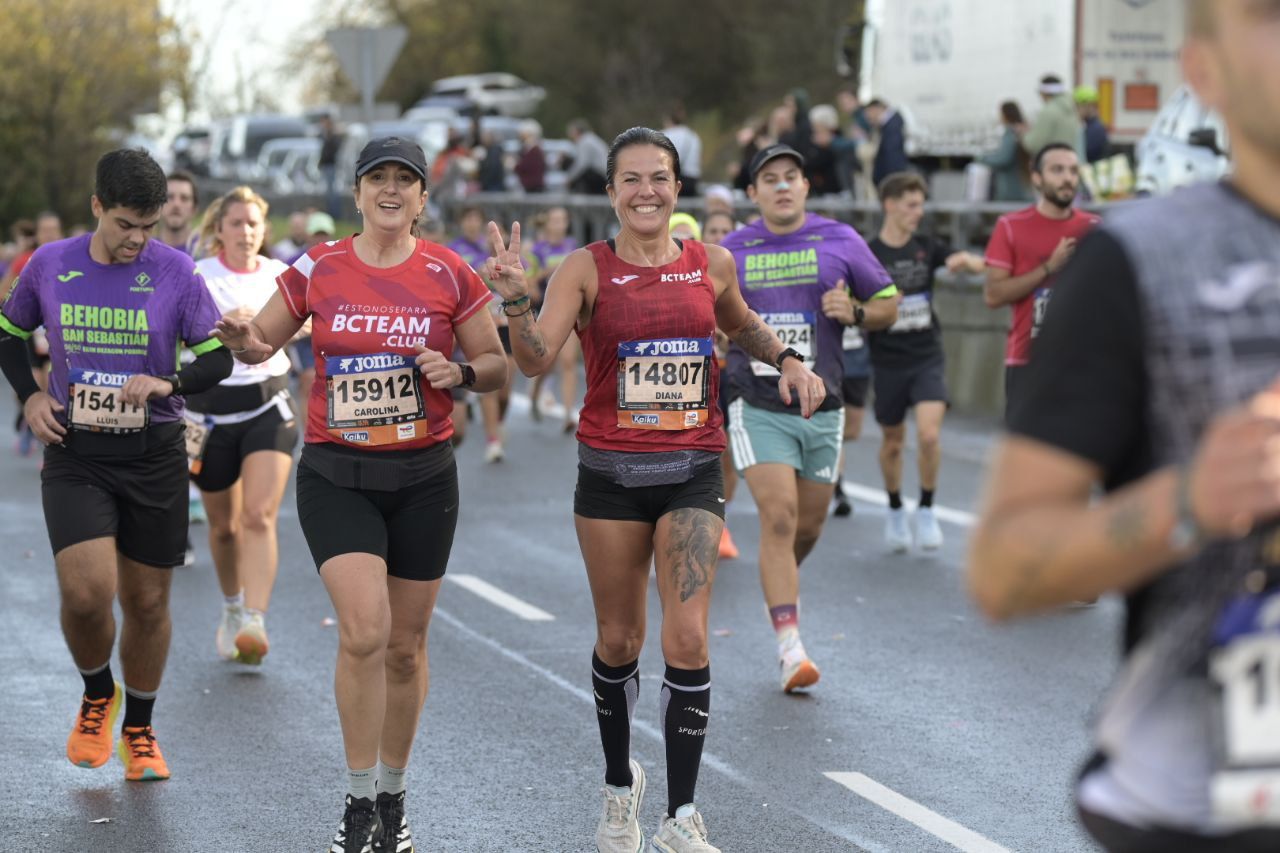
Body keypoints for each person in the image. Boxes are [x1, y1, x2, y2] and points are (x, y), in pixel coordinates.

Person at [967, 3, 1280, 850]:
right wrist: (1193, 500)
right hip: (1212, 807)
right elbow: (1006, 567)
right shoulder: (1136, 262)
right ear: (1205, 71)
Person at [488, 127, 825, 853]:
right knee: (619, 639)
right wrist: (517, 302)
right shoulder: (585, 267)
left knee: (688, 635)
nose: (647, 190)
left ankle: (681, 814)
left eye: (660, 177)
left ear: (678, 187)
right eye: (632, 179)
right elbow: (536, 361)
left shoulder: (712, 262)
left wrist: (788, 359)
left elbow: (742, 323)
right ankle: (619, 787)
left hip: (692, 470)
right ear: (610, 192)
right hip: (610, 475)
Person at [212, 136, 506, 853]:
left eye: (406, 180)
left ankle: (393, 799)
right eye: (379, 177)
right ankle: (355, 801)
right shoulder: (320, 265)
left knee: (405, 647)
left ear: (423, 198)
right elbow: (265, 345)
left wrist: (458, 375)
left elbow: (496, 363)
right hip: (337, 470)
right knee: (365, 629)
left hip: (424, 475)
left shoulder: (448, 270)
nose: (392, 190)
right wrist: (243, 341)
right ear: (358, 191)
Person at [0, 148, 232, 782]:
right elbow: (9, 336)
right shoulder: (50, 265)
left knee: (148, 602)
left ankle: (140, 728)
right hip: (77, 452)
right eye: (126, 223)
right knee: (85, 593)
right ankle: (98, 692)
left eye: (149, 226)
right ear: (97, 207)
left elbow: (217, 360)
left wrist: (169, 380)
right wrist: (31, 394)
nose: (137, 239)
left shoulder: (176, 272)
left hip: (154, 452)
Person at [723, 143, 898, 694]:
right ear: (752, 193)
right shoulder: (730, 250)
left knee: (808, 526)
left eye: (790, 177)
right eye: (768, 179)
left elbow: (890, 303)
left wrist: (859, 312)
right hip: (755, 401)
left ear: (805, 187)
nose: (780, 186)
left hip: (822, 404)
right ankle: (789, 645)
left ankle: (781, 586)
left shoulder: (840, 239)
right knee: (777, 517)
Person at [187, 187, 299, 666]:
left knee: (258, 516)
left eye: (254, 224)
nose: (247, 232)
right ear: (219, 229)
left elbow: (311, 322)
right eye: (237, 223)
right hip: (208, 414)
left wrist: (266, 325)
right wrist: (222, 326)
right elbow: (175, 330)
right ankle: (232, 607)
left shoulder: (280, 275)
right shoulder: (197, 276)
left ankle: (255, 618)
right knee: (225, 527)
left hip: (266, 404)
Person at [868, 173, 985, 551]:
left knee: (930, 435)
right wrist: (880, 306)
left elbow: (968, 262)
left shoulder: (926, 246)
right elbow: (853, 302)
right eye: (911, 205)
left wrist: (969, 261)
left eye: (921, 205)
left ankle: (928, 509)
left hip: (926, 355)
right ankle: (895, 509)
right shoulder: (869, 253)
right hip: (887, 360)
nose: (918, 213)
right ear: (890, 204)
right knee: (892, 442)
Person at [984, 142, 1100, 415]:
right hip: (1027, 361)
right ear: (1037, 178)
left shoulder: (1094, 228)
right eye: (1057, 170)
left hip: (1081, 363)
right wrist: (1048, 268)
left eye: (1073, 170)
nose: (1067, 178)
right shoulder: (1011, 226)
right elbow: (993, 295)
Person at [448, 206, 510, 461]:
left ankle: (495, 422)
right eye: (468, 219)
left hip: (502, 321)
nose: (473, 224)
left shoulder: (492, 249)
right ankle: (493, 440)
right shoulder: (453, 250)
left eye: (477, 219)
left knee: (503, 389)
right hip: (469, 325)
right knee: (488, 389)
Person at [525, 206, 580, 430]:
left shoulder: (573, 247)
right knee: (546, 361)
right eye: (555, 220)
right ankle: (535, 393)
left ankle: (568, 414)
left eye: (563, 220)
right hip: (546, 310)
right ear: (546, 224)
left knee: (568, 362)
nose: (560, 225)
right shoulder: (536, 250)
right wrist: (549, 271)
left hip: (570, 309)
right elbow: (530, 287)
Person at [978, 102, 1034, 202]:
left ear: (1005, 115)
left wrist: (982, 158)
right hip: (1026, 187)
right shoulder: (1025, 130)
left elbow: (1003, 158)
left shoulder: (1011, 133)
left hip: (1011, 189)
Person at [1022, 74, 1084, 160]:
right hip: (1071, 162)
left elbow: (1033, 144)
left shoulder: (1048, 111)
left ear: (1045, 92)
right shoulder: (1072, 109)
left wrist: (1024, 134)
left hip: (1053, 165)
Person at [864, 98, 910, 188]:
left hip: (891, 177)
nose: (868, 117)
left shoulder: (892, 126)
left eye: (869, 113)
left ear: (876, 109)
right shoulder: (890, 124)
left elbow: (892, 153)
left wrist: (892, 179)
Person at [663, 105, 702, 195]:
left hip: (673, 180)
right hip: (692, 179)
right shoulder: (693, 136)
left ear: (668, 120)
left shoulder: (665, 135)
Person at [158, 171, 199, 256]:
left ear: (194, 208)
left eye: (184, 198)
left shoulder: (206, 253)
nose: (176, 204)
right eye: (169, 197)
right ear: (159, 206)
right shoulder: (143, 251)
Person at [565, 118, 610, 195]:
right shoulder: (590, 138)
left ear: (577, 131)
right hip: (605, 174)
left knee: (578, 171)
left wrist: (569, 179)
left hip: (601, 176)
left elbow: (582, 164)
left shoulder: (584, 142)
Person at [1074, 85, 1110, 164]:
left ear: (1089, 105)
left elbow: (1083, 153)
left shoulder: (1095, 129)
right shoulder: (1092, 125)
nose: (1076, 110)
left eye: (1078, 106)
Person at [515, 119, 547, 193]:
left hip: (533, 186)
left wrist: (515, 165)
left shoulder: (534, 151)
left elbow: (526, 167)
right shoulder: (531, 149)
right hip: (531, 185)